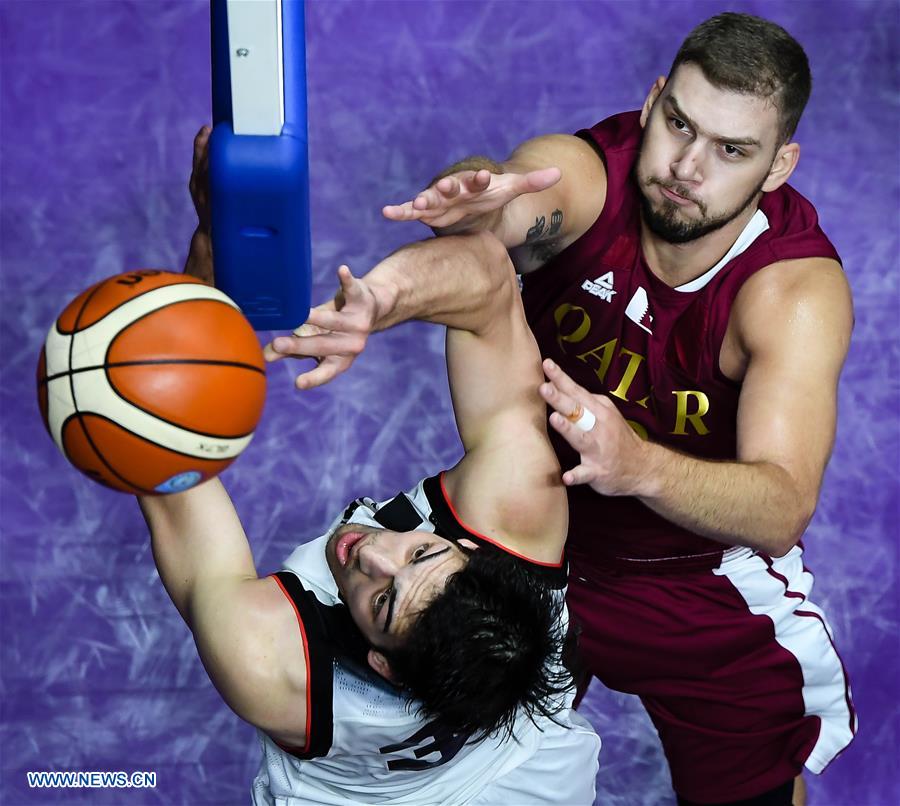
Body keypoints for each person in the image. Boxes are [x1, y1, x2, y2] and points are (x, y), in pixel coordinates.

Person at [278, 11, 857, 806]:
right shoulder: (587, 176)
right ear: (653, 102)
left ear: (778, 165)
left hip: (689, 576)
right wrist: (383, 296)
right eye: (679, 124)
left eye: (732, 151)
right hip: (524, 538)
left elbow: (782, 505)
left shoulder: (790, 291)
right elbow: (495, 229)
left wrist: (639, 464)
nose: (687, 166)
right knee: (423, 767)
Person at [137, 131, 600, 805]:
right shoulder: (517, 516)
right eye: (421, 553)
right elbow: (491, 287)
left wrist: (214, 239)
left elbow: (159, 438)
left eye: (383, 601)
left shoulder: (271, 663)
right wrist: (382, 300)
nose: (374, 553)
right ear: (470, 547)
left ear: (379, 662)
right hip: (531, 770)